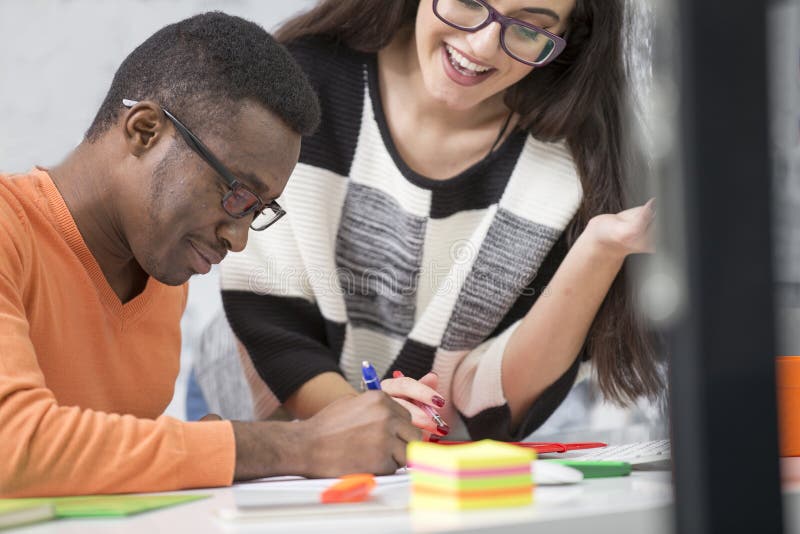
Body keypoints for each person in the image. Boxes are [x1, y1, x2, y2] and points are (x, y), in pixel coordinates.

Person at [0, 11, 420, 498]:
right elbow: (14, 445)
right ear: (144, 130)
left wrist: (201, 451)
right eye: (237, 194)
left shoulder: (160, 273)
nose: (239, 239)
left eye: (258, 210)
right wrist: (294, 445)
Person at [220, 0, 663, 442]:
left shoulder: (577, 159)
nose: (483, 45)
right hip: (269, 423)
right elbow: (268, 310)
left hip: (437, 459)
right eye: (470, 3)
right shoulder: (303, 80)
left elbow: (499, 404)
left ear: (570, 38)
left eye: (529, 30)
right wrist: (367, 421)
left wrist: (600, 248)